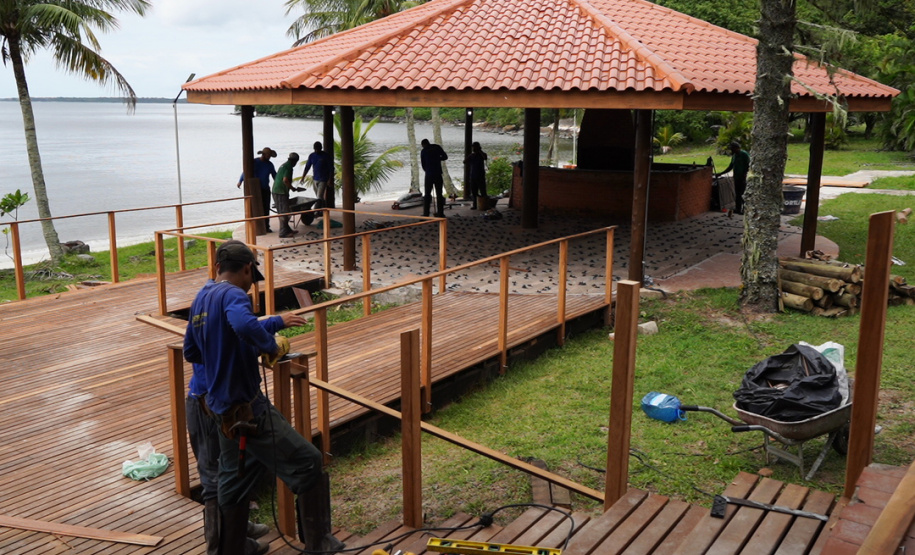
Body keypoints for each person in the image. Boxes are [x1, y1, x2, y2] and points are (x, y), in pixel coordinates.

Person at [183, 240, 345, 555]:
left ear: (218, 267)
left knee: (233, 480)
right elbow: (243, 324)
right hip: (247, 409)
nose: (250, 284)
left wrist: (228, 354)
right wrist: (270, 346)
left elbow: (192, 350)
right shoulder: (233, 294)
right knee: (308, 461)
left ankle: (232, 550)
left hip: (220, 410)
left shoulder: (202, 297)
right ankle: (319, 543)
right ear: (247, 269)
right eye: (251, 277)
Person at [186, 367, 270, 555]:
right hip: (209, 403)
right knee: (213, 479)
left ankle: (239, 531)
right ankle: (218, 548)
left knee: (233, 472)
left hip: (227, 401)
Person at [237, 148, 278, 232]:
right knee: (256, 208)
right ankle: (256, 227)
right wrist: (240, 181)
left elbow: (275, 176)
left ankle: (266, 226)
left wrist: (279, 184)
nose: (269, 157)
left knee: (266, 208)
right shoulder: (254, 162)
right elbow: (245, 171)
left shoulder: (270, 165)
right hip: (255, 189)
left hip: (265, 189)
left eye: (270, 156)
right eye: (268, 155)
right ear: (263, 154)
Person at [715, 141, 750, 215]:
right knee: (737, 194)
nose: (732, 150)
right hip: (736, 178)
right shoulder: (734, 156)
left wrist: (744, 175)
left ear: (737, 148)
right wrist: (721, 173)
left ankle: (745, 209)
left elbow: (748, 165)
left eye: (733, 149)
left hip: (742, 178)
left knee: (743, 194)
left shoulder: (744, 154)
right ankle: (738, 209)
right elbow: (730, 166)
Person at [273, 152, 300, 238]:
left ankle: (287, 229)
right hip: (280, 192)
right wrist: (292, 188)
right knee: (284, 212)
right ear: (295, 161)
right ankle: (283, 232)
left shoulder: (284, 165)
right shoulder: (289, 167)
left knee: (284, 211)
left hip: (278, 191)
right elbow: (285, 180)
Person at [420, 138, 448, 217]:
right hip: (438, 173)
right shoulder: (437, 147)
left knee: (427, 194)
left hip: (429, 174)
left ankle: (426, 213)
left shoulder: (424, 151)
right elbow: (445, 157)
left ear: (423, 145)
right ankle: (441, 213)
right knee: (439, 194)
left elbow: (423, 164)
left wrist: (427, 170)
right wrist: (438, 158)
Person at [299, 141, 333, 208]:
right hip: (315, 179)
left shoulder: (326, 156)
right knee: (319, 196)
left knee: (319, 196)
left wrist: (330, 179)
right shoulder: (312, 156)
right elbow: (307, 167)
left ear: (321, 148)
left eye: (318, 149)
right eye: (316, 149)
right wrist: (303, 177)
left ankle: (315, 210)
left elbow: (331, 168)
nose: (317, 151)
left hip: (323, 179)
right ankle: (323, 208)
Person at [464, 142, 488, 209]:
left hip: (480, 175)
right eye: (473, 147)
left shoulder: (481, 155)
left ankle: (484, 204)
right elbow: (465, 161)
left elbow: (485, 157)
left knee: (483, 191)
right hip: (473, 176)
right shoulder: (472, 155)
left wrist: (479, 151)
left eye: (474, 147)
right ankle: (475, 205)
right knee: (474, 192)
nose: (473, 149)